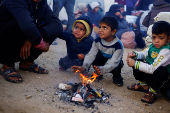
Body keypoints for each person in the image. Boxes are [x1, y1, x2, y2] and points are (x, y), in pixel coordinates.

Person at [0, 0, 63, 83]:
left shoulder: (42, 3)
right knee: (20, 24)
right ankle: (8, 65)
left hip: (22, 40)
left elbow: (57, 25)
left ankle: (26, 62)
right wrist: (40, 43)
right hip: (3, 44)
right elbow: (26, 26)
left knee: (49, 30)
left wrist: (32, 38)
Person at [72, 16, 124, 86]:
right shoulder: (97, 41)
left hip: (113, 63)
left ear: (113, 31)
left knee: (118, 65)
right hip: (102, 60)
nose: (100, 30)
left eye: (104, 28)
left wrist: (101, 69)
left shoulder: (118, 45)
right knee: (95, 57)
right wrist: (84, 67)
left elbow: (113, 62)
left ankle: (117, 77)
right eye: (100, 27)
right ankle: (99, 74)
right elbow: (91, 55)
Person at [127, 21, 170, 104]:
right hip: (151, 74)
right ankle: (144, 86)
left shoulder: (166, 51)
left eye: (161, 38)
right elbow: (143, 54)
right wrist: (134, 54)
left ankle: (152, 91)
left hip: (161, 80)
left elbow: (153, 69)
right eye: (154, 37)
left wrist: (135, 64)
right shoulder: (152, 46)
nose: (156, 41)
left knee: (161, 70)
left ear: (169, 38)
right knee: (136, 60)